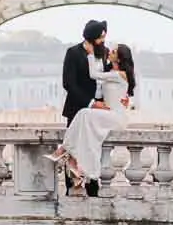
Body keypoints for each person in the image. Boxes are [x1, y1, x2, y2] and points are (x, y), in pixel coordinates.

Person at [52, 43, 135, 197]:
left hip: (116, 117)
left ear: (120, 58)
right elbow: (123, 93)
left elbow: (94, 75)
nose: (111, 51)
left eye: (115, 51)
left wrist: (90, 54)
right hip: (109, 114)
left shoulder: (119, 74)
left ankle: (65, 150)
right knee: (85, 120)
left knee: (84, 113)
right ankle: (70, 153)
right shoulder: (111, 72)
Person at [61, 20, 109, 124]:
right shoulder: (73, 53)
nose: (103, 40)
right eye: (100, 38)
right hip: (78, 108)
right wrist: (91, 103)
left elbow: (111, 76)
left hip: (102, 108)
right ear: (92, 38)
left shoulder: (106, 52)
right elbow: (68, 83)